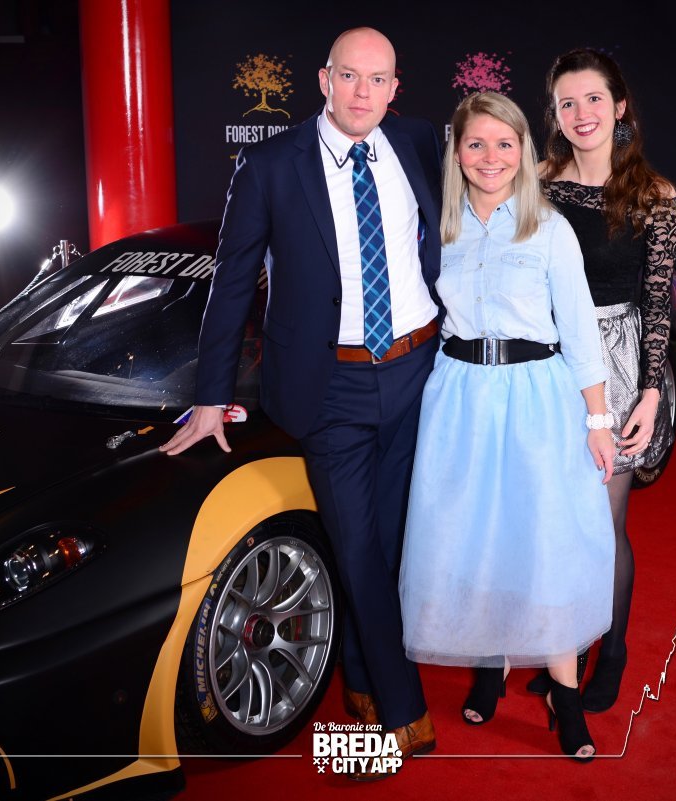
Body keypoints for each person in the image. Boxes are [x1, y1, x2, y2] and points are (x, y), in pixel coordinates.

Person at [160, 27, 442, 777]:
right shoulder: (269, 165)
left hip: (416, 371)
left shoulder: (417, 143)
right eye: (349, 76)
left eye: (377, 79)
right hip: (331, 385)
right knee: (356, 543)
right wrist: (211, 396)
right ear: (323, 79)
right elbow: (230, 283)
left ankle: (359, 671)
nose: (362, 93)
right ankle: (402, 701)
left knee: (389, 539)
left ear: (395, 87)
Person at [398, 91, 616, 760]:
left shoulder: (549, 227)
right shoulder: (436, 227)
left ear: (522, 150)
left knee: (543, 542)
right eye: (475, 143)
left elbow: (579, 330)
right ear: (457, 152)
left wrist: (598, 419)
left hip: (537, 398)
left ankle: (565, 695)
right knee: (472, 538)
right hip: (459, 396)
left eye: (503, 143)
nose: (489, 157)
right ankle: (488, 665)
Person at [525, 48, 676, 712]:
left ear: (619, 107)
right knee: (555, 518)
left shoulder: (654, 195)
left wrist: (650, 392)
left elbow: (657, 305)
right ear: (555, 115)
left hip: (618, 364)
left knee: (604, 520)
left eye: (593, 98)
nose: (581, 113)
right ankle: (568, 649)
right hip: (550, 361)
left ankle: (611, 649)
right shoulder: (539, 182)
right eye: (567, 102)